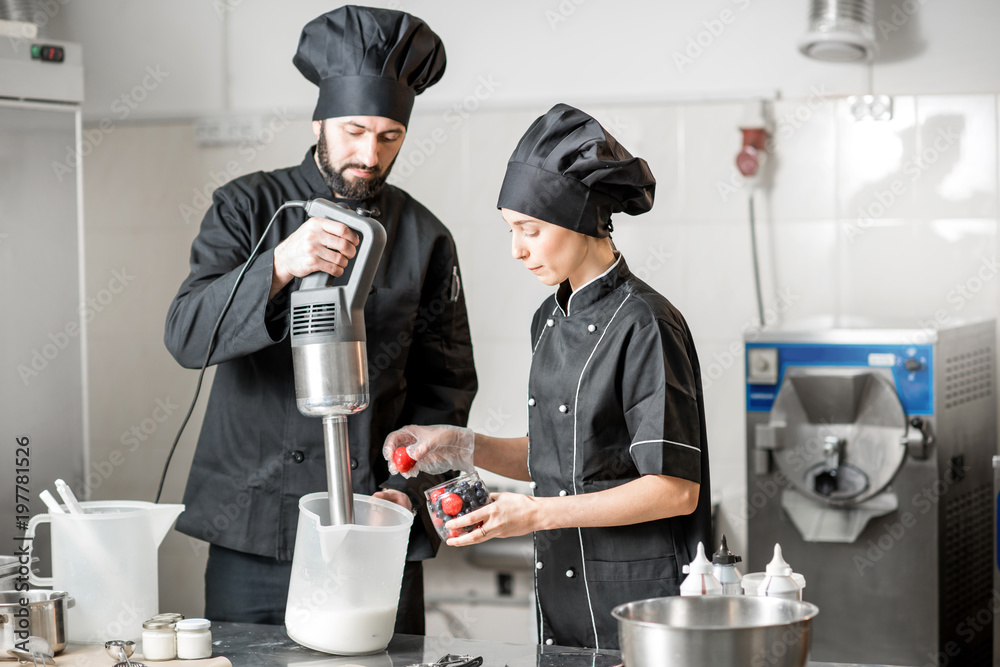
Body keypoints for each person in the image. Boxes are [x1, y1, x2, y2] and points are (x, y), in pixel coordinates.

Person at [164, 6, 477, 633]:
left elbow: (444, 392)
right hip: (251, 534)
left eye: (389, 137)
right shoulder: (247, 208)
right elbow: (187, 335)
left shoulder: (424, 237)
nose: (369, 153)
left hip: (372, 529)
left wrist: (408, 495)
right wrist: (278, 266)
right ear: (321, 120)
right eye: (355, 131)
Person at [382, 104, 711, 650]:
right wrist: (460, 445)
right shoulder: (549, 319)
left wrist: (534, 513)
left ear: (580, 220)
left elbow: (673, 489)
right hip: (561, 603)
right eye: (512, 230)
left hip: (637, 604)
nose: (517, 250)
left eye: (530, 230)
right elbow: (561, 455)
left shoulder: (646, 323)